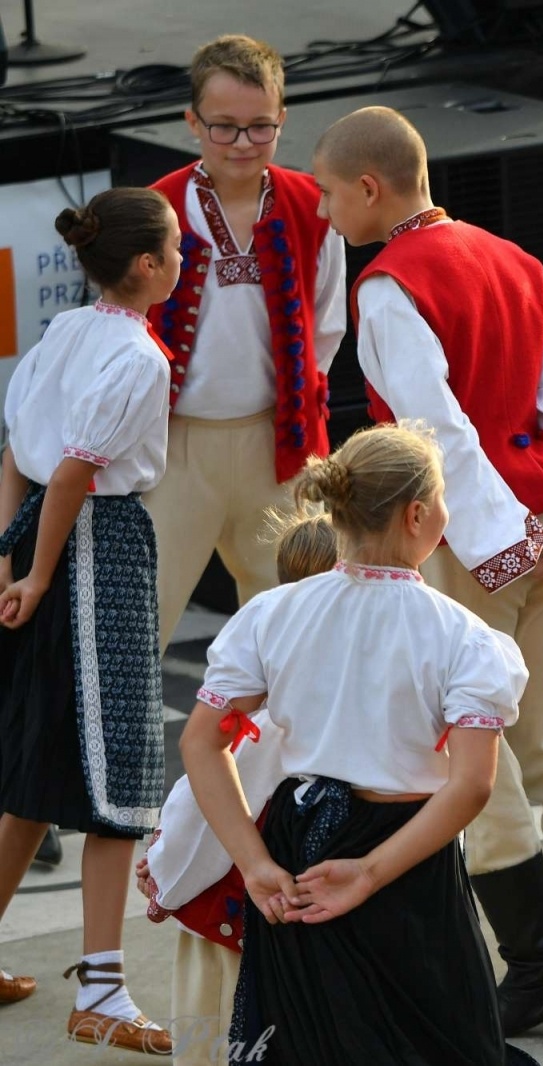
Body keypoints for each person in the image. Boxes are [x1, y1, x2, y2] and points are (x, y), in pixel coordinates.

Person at [313, 105, 543, 1031]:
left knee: (480, 755)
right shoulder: (513, 258)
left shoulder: (387, 287)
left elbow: (436, 435)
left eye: (333, 196)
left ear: (369, 188)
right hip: (539, 521)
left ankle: (539, 969)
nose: (331, 215)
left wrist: (500, 541)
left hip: (465, 537)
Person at [180, 424, 523, 1064]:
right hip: (406, 854)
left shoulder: (271, 614)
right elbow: (473, 783)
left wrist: (255, 864)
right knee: (437, 1034)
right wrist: (367, 871)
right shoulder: (463, 638)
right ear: (418, 514)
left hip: (296, 845)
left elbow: (203, 743)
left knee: (314, 1036)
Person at [0, 188, 181, 1054]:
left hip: (43, 534)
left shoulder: (68, 331)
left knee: (39, 769)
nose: (180, 263)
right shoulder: (142, 358)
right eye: (174, 250)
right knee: (121, 776)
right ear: (145, 266)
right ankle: (102, 992)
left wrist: (10, 561)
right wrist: (36, 576)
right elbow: (73, 474)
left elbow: (16, 457)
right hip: (94, 552)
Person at [145, 34, 346, 649]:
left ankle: (278, 746)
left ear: (282, 120)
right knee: (142, 616)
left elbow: (327, 323)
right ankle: (120, 747)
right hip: (175, 447)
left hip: (277, 445)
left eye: (260, 128)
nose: (241, 144)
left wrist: (296, 404)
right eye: (223, 127)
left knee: (295, 618)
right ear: (192, 122)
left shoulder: (313, 204)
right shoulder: (155, 209)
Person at [137, 512, 337, 1065]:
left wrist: (164, 851)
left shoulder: (260, 693)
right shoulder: (281, 710)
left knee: (215, 1024)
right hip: (249, 907)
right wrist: (168, 848)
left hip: (238, 902)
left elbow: (192, 806)